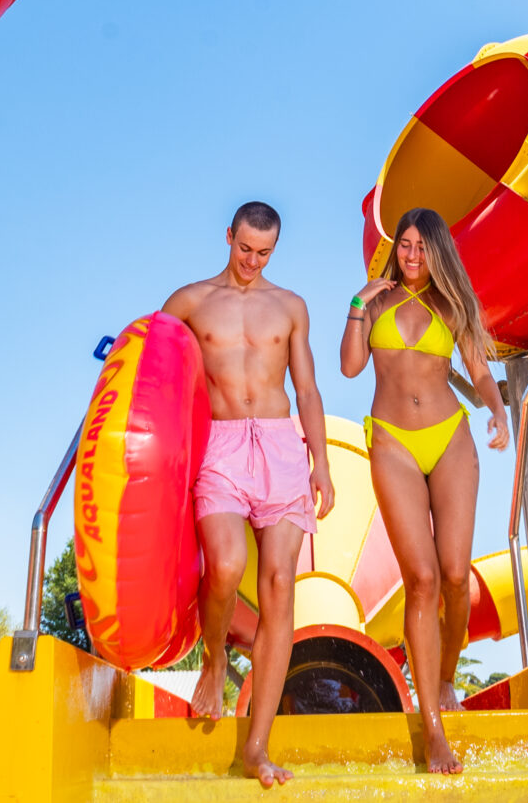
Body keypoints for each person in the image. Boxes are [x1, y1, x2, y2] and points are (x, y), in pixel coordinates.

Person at [160, 202, 333, 788]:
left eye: (265, 253)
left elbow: (306, 387)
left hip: (283, 446)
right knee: (228, 565)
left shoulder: (290, 306)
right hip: (222, 447)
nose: (253, 262)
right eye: (245, 249)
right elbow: (160, 382)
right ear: (228, 235)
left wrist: (323, 463)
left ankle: (257, 747)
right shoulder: (188, 302)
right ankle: (213, 657)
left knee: (280, 585)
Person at [339, 206, 509, 774]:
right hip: (392, 443)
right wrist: (358, 305)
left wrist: (499, 411)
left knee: (457, 575)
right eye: (404, 246)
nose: (411, 256)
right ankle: (433, 734)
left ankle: (443, 679)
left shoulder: (451, 304)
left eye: (421, 247)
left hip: (451, 437)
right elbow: (349, 368)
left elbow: (479, 369)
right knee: (423, 579)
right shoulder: (378, 302)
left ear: (437, 251)